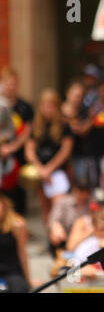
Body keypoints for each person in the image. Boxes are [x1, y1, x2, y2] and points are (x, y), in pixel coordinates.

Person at [25, 88, 74, 225]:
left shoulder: (64, 125)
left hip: (57, 171)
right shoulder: (35, 124)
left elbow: (65, 151)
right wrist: (40, 169)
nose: (48, 109)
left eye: (51, 106)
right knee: (45, 206)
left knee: (58, 206)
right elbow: (29, 150)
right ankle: (50, 238)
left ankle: (58, 238)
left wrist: (49, 169)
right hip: (40, 172)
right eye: (45, 105)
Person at [0, 67, 34, 216]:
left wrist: (12, 148)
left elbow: (27, 131)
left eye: (13, 83)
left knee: (17, 191)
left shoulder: (25, 106)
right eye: (7, 83)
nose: (10, 86)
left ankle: (18, 224)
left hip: (17, 154)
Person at [47, 180, 91, 256]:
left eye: (85, 192)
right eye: (80, 192)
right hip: (66, 236)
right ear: (74, 191)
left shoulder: (92, 204)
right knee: (55, 235)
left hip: (84, 236)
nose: (82, 195)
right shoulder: (64, 201)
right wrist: (56, 228)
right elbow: (54, 219)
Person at [0, 194, 32, 292]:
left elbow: (22, 253)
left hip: (12, 273)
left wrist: (28, 280)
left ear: (4, 204)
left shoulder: (17, 224)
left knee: (20, 288)